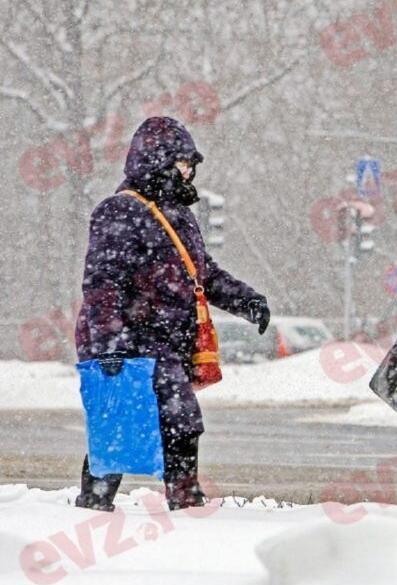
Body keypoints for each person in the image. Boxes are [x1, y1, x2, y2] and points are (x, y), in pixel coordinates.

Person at [74, 117, 270, 511]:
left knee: (132, 421)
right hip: (132, 339)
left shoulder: (179, 215)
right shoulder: (120, 211)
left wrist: (247, 300)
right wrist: (110, 342)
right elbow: (102, 282)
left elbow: (203, 273)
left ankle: (104, 501)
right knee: (165, 419)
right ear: (156, 162)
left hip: (166, 339)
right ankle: (180, 498)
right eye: (182, 164)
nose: (189, 172)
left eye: (190, 165)